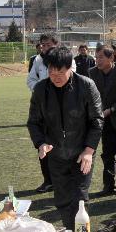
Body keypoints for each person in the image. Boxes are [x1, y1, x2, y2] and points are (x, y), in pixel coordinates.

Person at [27, 46, 103, 231]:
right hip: (56, 155)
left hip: (81, 153)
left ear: (70, 68)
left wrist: (88, 151)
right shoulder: (41, 89)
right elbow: (33, 122)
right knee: (62, 200)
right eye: (51, 72)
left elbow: (97, 121)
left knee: (79, 199)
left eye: (60, 72)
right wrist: (41, 143)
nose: (56, 76)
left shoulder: (86, 86)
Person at [27, 33, 76, 192]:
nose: (45, 47)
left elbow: (72, 79)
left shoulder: (67, 59)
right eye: (43, 45)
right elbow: (30, 80)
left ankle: (66, 180)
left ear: (56, 44)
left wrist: (54, 88)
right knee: (43, 144)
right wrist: (43, 90)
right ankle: (48, 180)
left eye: (48, 44)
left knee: (64, 145)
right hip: (43, 107)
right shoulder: (38, 60)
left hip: (64, 108)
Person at [89, 46, 116, 196]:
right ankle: (108, 185)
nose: (98, 60)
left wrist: (111, 110)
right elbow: (90, 96)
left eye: (101, 57)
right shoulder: (92, 73)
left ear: (111, 58)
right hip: (104, 120)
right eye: (96, 57)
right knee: (107, 153)